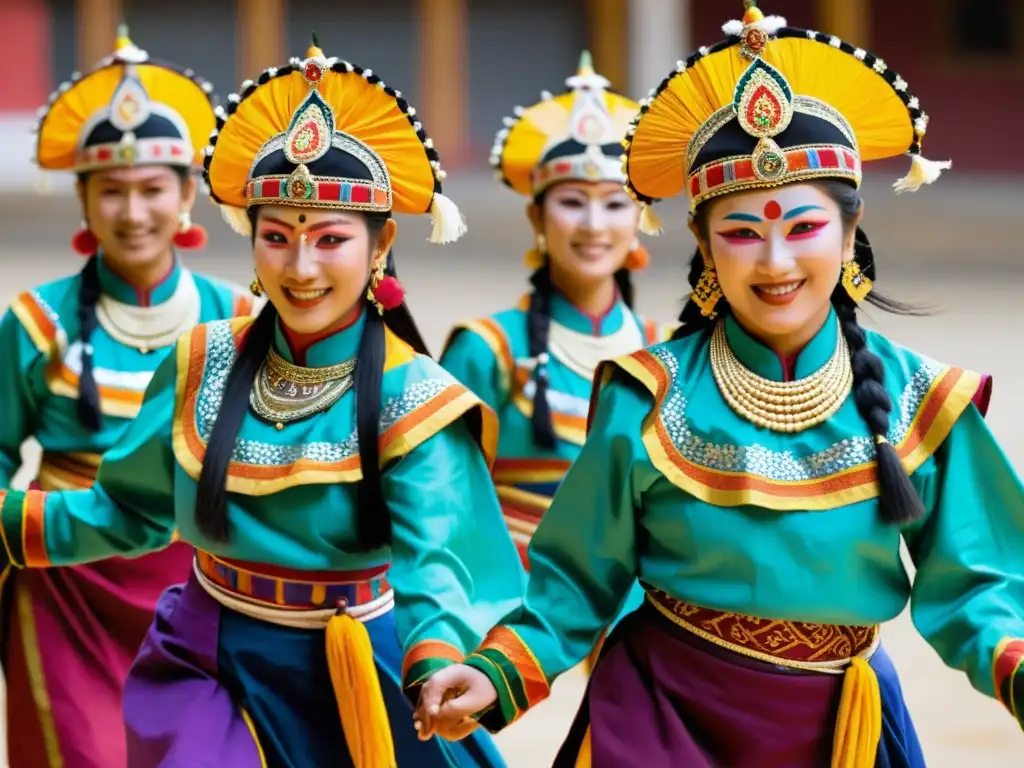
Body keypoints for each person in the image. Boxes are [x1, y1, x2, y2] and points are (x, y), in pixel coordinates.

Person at [413, 3, 1024, 766]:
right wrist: (494, 670)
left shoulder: (927, 406)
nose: (774, 263)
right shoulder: (645, 394)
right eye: (740, 232)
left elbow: (982, 586)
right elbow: (574, 578)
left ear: (850, 231)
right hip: (660, 712)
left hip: (839, 726)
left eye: (803, 228)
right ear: (701, 245)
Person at [0, 37, 525, 768]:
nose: (300, 268)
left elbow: (440, 565)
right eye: (275, 237)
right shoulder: (204, 360)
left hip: (355, 662)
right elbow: (128, 509)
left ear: (381, 246)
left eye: (330, 240)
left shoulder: (417, 402)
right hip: (206, 654)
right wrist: (9, 521)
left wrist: (436, 661)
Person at [0, 27, 253, 768]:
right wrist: (28, 527)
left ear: (187, 199)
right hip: (63, 592)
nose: (133, 211)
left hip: (204, 592)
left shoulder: (239, 318)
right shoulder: (33, 322)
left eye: (152, 189)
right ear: (84, 200)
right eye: (112, 190)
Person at [440, 53, 666, 668]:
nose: (594, 225)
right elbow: (446, 496)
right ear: (537, 216)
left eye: (615, 204)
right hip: (508, 583)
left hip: (636, 591)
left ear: (640, 220)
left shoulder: (666, 351)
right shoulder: (486, 346)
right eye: (572, 202)